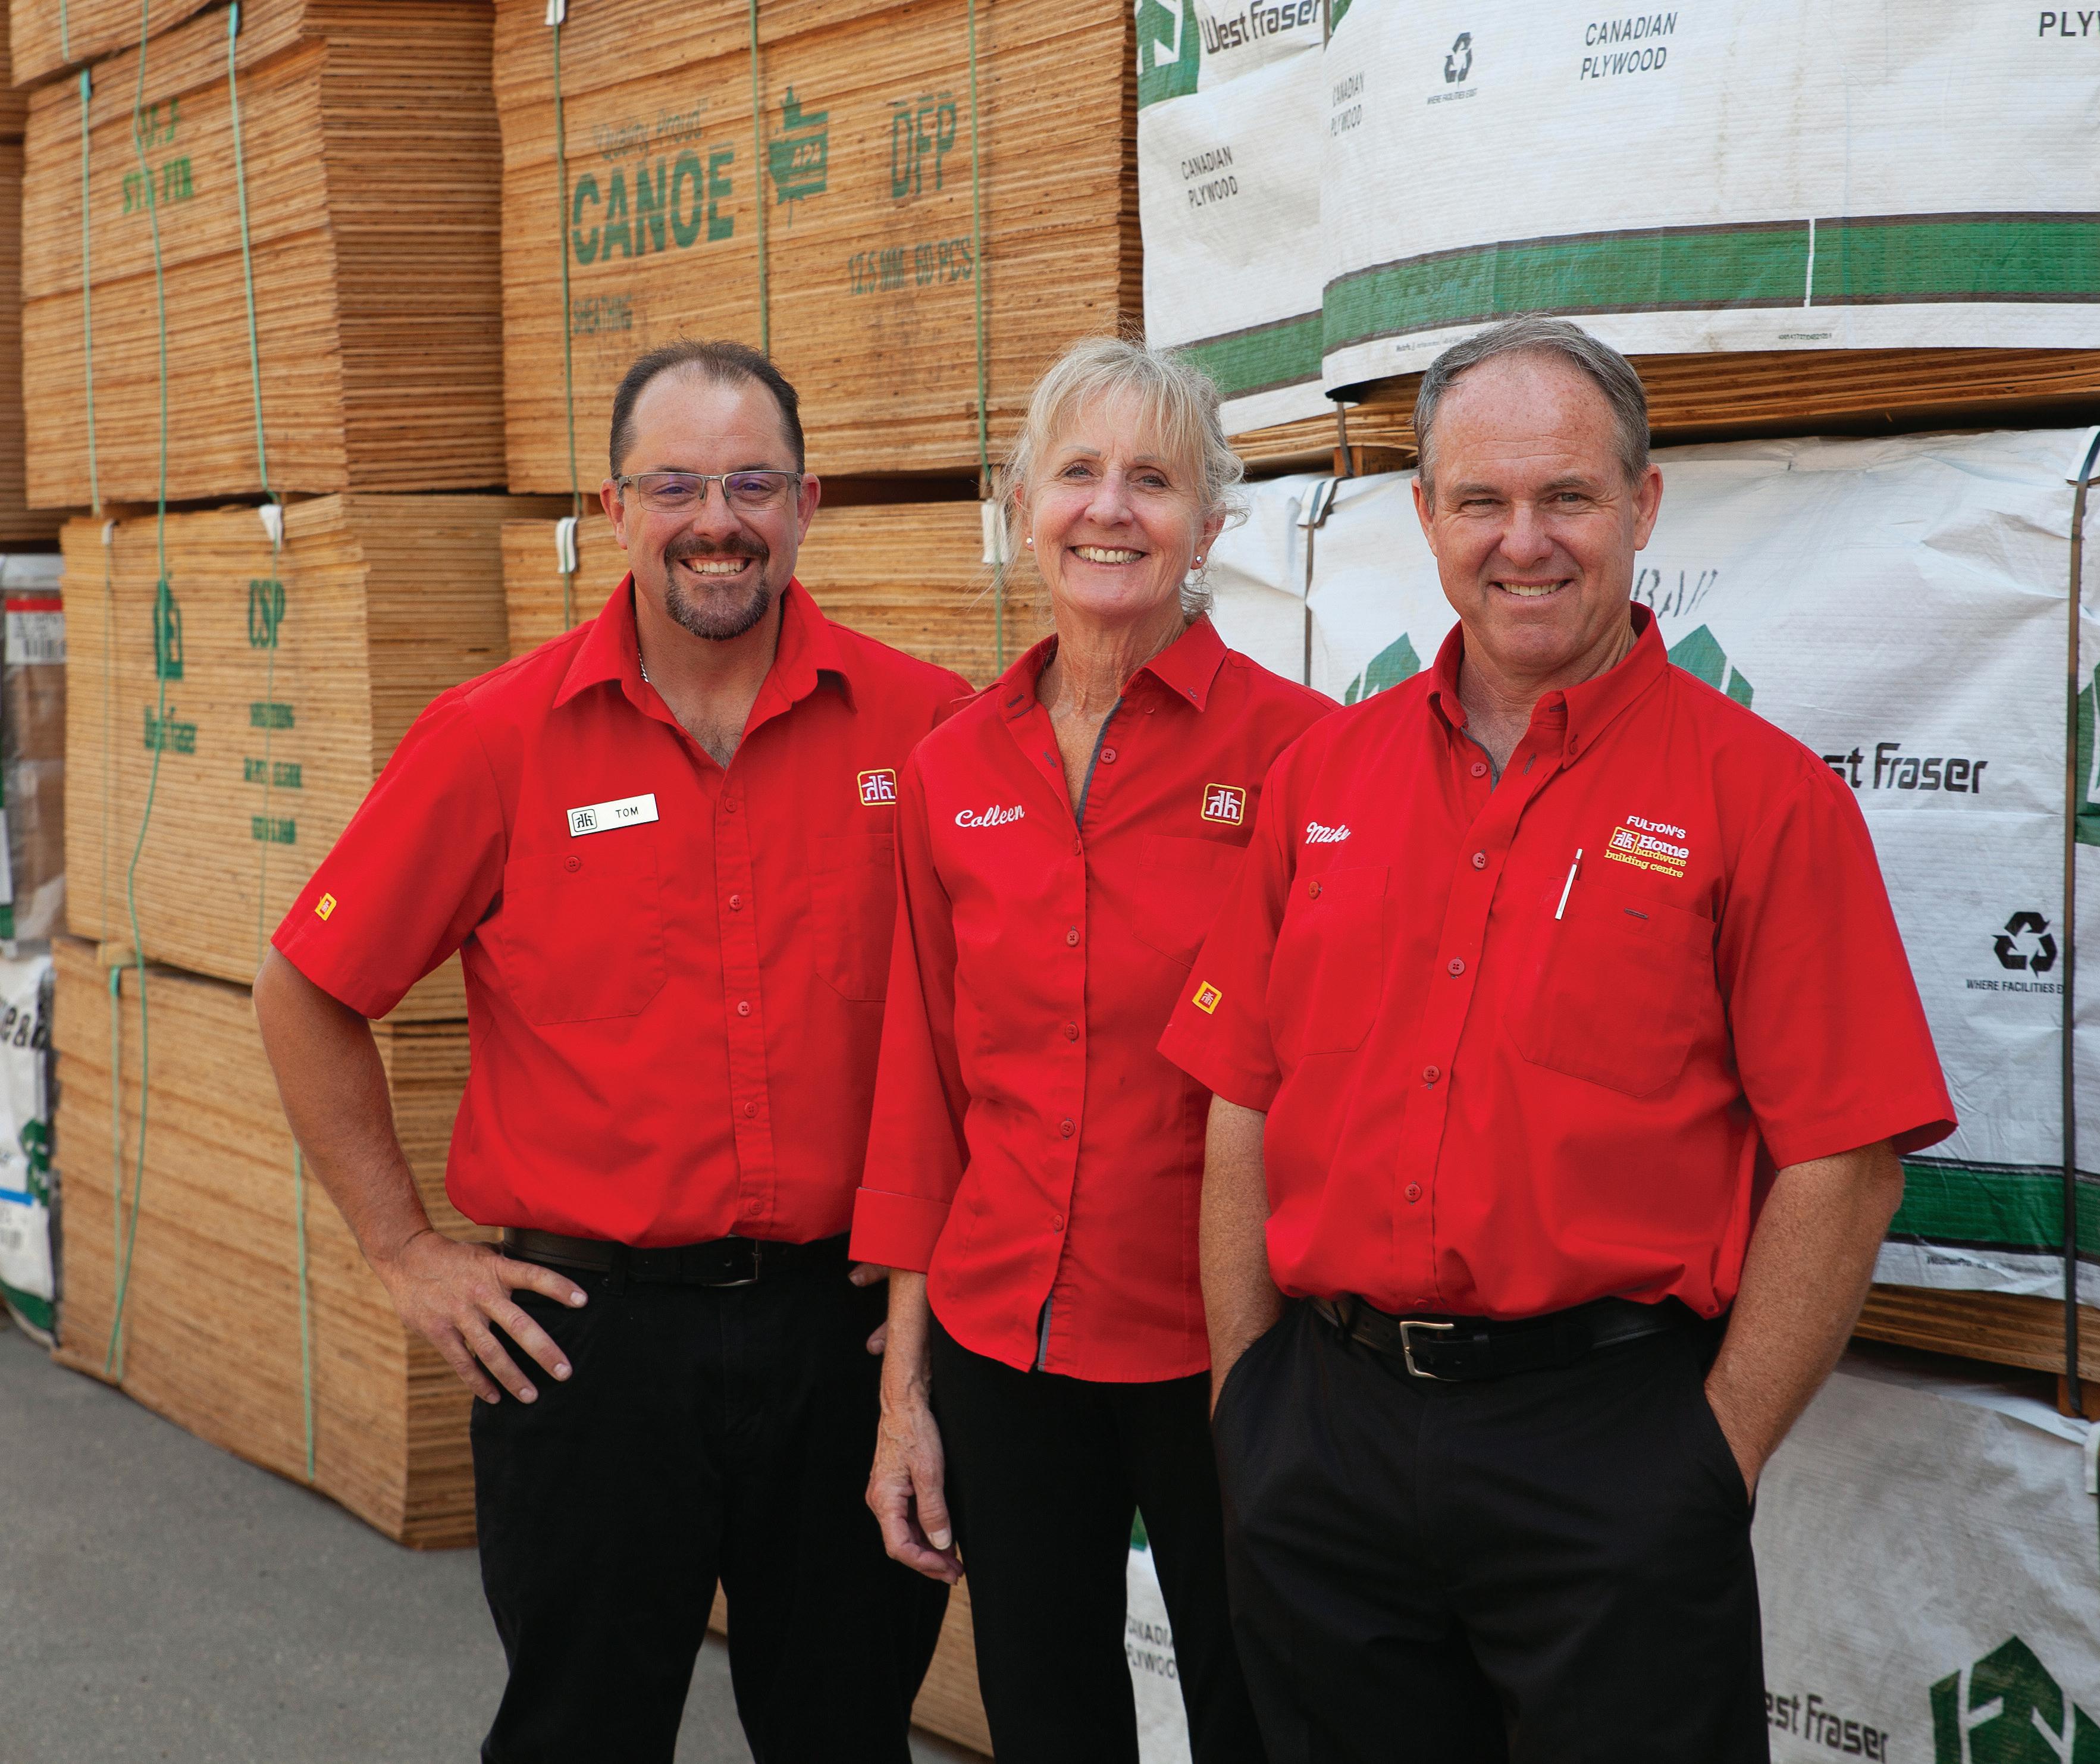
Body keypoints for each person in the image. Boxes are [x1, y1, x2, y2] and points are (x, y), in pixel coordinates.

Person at [1157, 315, 1958, 1761]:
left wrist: (1709, 1458)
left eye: (1567, 497)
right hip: (1324, 1444)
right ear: (1425, 515)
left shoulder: (1764, 799)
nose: (1522, 541)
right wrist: (1247, 1400)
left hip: (1612, 1458)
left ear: (1642, 505)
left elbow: (1844, 1163)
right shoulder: (1319, 781)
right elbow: (1242, 1096)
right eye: (1480, 499)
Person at [253, 340, 965, 1763]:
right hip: (590, 1347)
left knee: (845, 1735)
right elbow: (305, 987)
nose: (717, 520)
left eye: (752, 484)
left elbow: (994, 1031)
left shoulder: (929, 729)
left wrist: (938, 1301)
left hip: (846, 1341)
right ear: (614, 506)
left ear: (808, 503)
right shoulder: (494, 739)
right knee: (577, 1735)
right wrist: (406, 1251)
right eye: (677, 485)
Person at [850, 336, 1330, 1763]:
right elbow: (924, 1087)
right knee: (1048, 1721)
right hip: (1005, 1340)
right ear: (1021, 505)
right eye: (1076, 473)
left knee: (1263, 1719)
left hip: (1223, 1349)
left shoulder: (1305, 757)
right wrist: (903, 1395)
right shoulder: (951, 766)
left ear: (1210, 522)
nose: (1109, 508)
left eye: (1153, 479)